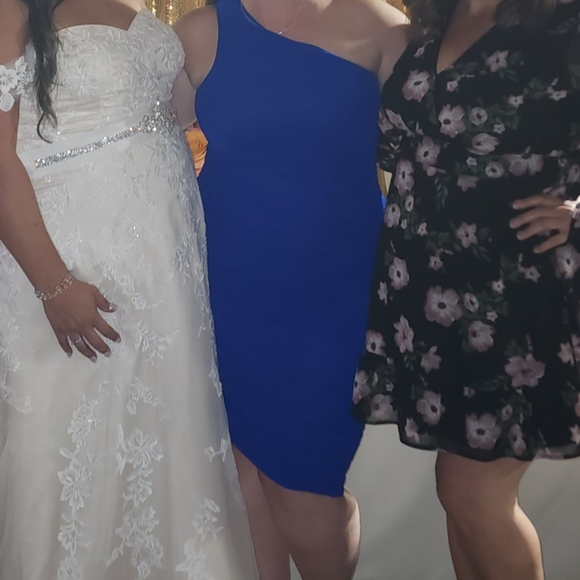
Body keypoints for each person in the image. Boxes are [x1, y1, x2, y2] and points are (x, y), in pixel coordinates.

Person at [0, 1, 259, 578]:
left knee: (168, 441)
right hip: (74, 266)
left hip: (165, 269)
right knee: (78, 452)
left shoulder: (139, 3)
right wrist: (52, 283)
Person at [172, 1, 407, 578]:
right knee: (243, 474)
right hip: (228, 289)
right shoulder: (199, 32)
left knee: (306, 485)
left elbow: (448, 140)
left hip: (336, 294)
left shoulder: (382, 26)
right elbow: (152, 151)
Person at [353, 0, 580, 578]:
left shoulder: (565, 22)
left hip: (514, 297)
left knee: (472, 492)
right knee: (456, 493)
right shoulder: (430, 23)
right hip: (426, 295)